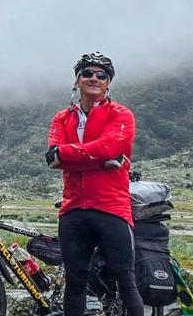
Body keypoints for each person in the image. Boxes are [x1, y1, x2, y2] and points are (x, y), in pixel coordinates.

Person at [47, 52, 144, 316]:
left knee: (126, 281)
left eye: (101, 75)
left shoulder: (121, 115)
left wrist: (69, 155)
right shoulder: (62, 118)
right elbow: (53, 158)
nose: (94, 78)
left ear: (108, 83)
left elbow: (107, 147)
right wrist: (102, 162)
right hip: (73, 210)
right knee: (75, 282)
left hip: (111, 209)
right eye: (87, 73)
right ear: (77, 80)